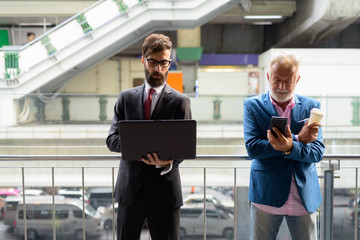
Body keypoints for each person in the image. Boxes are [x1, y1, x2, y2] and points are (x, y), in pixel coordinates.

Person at [106, 33, 191, 240]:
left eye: (164, 63)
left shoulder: (181, 101)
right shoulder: (126, 98)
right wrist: (138, 145)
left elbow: (185, 144)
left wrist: (168, 161)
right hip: (130, 191)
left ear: (169, 63)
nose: (158, 69)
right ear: (143, 61)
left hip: (164, 189)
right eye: (153, 62)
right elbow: (111, 140)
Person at [243, 52, 325, 240]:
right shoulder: (252, 106)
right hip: (266, 195)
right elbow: (253, 148)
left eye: (288, 81)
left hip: (303, 197)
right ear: (268, 77)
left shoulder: (312, 107)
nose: (281, 86)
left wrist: (288, 146)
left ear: (297, 79)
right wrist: (298, 139)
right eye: (277, 80)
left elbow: (317, 152)